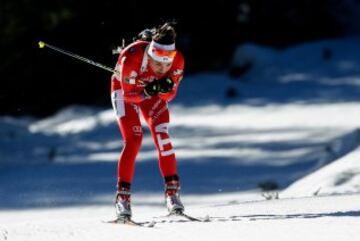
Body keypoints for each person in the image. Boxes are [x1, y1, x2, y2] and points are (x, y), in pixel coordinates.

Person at [110, 22, 185, 219]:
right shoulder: (131, 57)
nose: (162, 69)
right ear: (150, 55)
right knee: (134, 139)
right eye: (157, 63)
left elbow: (169, 97)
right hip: (126, 90)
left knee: (162, 135)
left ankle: (173, 195)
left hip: (150, 93)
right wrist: (149, 90)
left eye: (166, 64)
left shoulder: (177, 62)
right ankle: (122, 199)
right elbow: (130, 96)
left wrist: (165, 88)